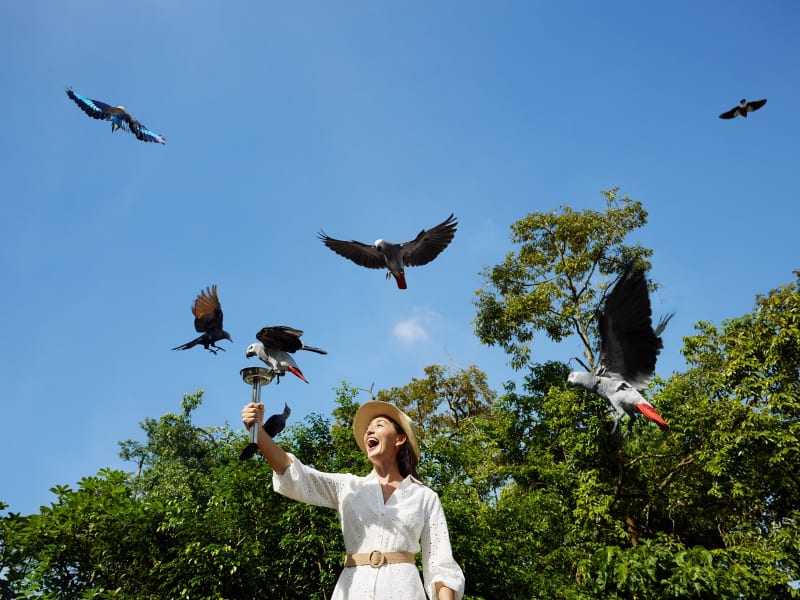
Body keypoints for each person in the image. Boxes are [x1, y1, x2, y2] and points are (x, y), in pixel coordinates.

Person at [241, 399, 465, 600]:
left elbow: (440, 564)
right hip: (353, 589)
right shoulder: (349, 486)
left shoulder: (424, 497)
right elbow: (296, 475)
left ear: (400, 438)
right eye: (367, 429)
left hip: (403, 590)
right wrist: (259, 433)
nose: (369, 431)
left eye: (379, 425)